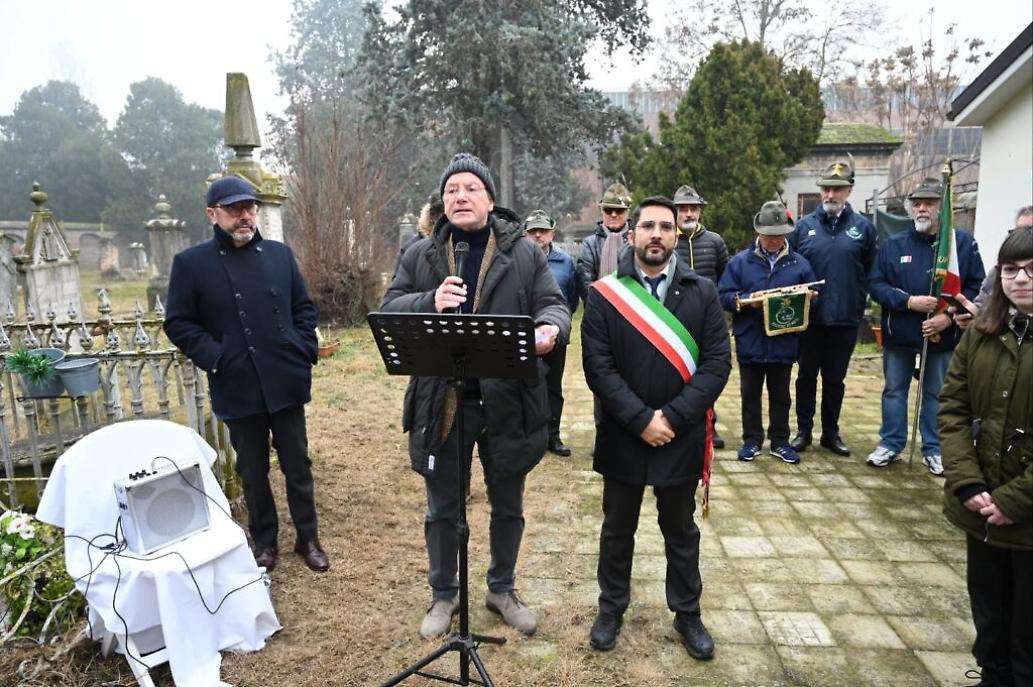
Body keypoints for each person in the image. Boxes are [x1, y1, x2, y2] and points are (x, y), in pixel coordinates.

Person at [381, 153, 571, 638]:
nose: (459, 196)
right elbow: (389, 308)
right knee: (443, 507)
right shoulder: (421, 254)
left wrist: (550, 327)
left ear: (489, 199)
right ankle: (444, 595)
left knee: (508, 503)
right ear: (442, 203)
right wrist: (429, 302)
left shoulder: (524, 252)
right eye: (451, 191)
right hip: (442, 403)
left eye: (470, 188)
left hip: (508, 400)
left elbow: (553, 303)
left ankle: (501, 589)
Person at [581, 195, 731, 659]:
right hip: (624, 435)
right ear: (632, 235)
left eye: (666, 227)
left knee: (680, 531)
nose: (656, 235)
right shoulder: (605, 294)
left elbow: (717, 364)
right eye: (647, 226)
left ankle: (688, 613)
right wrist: (641, 420)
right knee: (617, 529)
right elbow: (598, 368)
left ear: (676, 235)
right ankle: (611, 608)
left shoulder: (702, 291)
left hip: (678, 437)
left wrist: (671, 418)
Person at [164, 175, 329, 573]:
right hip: (236, 382)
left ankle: (308, 538)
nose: (245, 216)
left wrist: (303, 346)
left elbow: (303, 309)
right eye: (235, 209)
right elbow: (179, 323)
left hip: (284, 377)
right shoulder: (191, 264)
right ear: (212, 214)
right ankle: (266, 542)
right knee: (252, 471)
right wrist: (218, 357)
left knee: (297, 464)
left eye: (250, 208)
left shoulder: (278, 255)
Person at [939, 228, 1032, 687]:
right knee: (989, 610)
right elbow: (954, 407)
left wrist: (1015, 499)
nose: (1021, 280)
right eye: (1012, 270)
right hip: (981, 505)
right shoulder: (981, 332)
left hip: (1026, 513)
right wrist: (968, 483)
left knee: (1027, 627)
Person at [867, 178, 985, 474]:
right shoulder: (894, 245)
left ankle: (933, 448)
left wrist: (948, 316)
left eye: (929, 203)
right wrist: (908, 302)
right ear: (910, 209)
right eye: (917, 203)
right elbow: (876, 285)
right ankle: (891, 443)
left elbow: (975, 285)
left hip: (944, 333)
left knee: (937, 392)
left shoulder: (961, 245)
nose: (923, 209)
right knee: (894, 390)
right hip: (900, 333)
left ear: (941, 209)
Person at [788, 158, 877, 457]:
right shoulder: (803, 228)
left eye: (837, 189)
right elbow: (792, 268)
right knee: (805, 377)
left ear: (849, 191)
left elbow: (869, 269)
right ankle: (803, 431)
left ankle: (831, 433)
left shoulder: (863, 228)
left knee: (835, 379)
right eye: (826, 188)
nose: (830, 195)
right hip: (809, 320)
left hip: (844, 320)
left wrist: (856, 301)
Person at [718, 201, 818, 465]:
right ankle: (751, 440)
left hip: (784, 342)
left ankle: (780, 441)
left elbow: (814, 300)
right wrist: (749, 299)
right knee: (750, 394)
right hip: (750, 340)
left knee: (781, 395)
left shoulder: (799, 264)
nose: (774, 240)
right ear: (758, 233)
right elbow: (724, 296)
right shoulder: (739, 262)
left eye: (779, 235)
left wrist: (808, 298)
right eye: (769, 235)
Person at [673, 184, 730, 450]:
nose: (688, 213)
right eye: (683, 209)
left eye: (693, 208)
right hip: (675, 321)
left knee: (707, 374)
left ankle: (709, 426)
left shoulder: (715, 242)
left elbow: (725, 277)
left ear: (700, 212)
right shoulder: (669, 242)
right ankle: (678, 421)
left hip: (707, 321)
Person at [524, 209, 581, 457]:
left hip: (555, 335)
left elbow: (572, 297)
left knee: (553, 386)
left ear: (552, 233)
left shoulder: (565, 262)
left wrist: (560, 322)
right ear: (525, 234)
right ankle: (527, 434)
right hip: (523, 334)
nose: (538, 235)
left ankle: (553, 435)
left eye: (543, 231)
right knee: (523, 385)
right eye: (533, 231)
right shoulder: (518, 259)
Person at [576, 182, 632, 295]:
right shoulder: (590, 244)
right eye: (608, 210)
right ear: (602, 211)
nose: (613, 214)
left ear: (627, 212)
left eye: (619, 210)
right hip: (597, 306)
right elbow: (584, 281)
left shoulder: (637, 240)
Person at [976, 206, 1033, 304]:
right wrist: (973, 312)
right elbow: (983, 303)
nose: (1020, 278)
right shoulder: (999, 271)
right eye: (1011, 270)